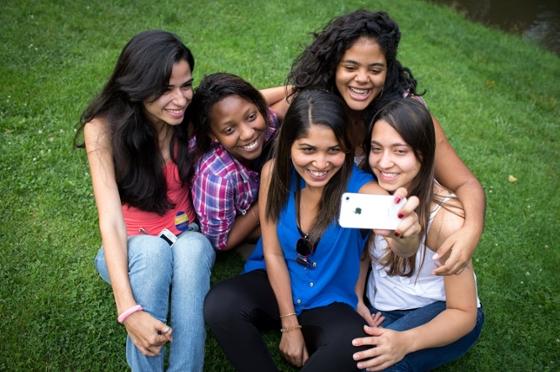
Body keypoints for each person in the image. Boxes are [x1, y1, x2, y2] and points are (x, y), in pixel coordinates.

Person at [204, 90, 421, 371]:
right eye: (308, 149)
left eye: (333, 150)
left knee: (352, 345)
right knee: (221, 304)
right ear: (289, 145)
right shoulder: (274, 173)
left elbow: (402, 240)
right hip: (274, 283)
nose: (320, 164)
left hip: (330, 299)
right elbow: (272, 252)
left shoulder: (364, 188)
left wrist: (407, 233)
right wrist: (290, 325)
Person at [274, 9, 485, 275]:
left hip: (394, 227)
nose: (362, 79)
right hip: (331, 229)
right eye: (350, 67)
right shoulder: (317, 106)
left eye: (375, 69)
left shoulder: (405, 115)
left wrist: (471, 230)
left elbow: (464, 182)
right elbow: (262, 110)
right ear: (333, 66)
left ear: (388, 71)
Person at [77, 30, 215, 371]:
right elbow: (110, 219)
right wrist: (128, 310)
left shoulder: (188, 116)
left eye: (186, 85)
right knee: (153, 254)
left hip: (185, 237)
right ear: (137, 86)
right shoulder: (103, 128)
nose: (181, 99)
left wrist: (297, 90)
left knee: (194, 248)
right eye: (166, 89)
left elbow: (249, 102)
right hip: (134, 249)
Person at [352, 98, 484, 371]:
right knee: (341, 352)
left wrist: (406, 341)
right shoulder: (375, 189)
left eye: (400, 151)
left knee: (377, 366)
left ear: (423, 154)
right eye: (377, 149)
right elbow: (366, 251)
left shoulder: (446, 221)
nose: (384, 163)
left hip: (438, 313)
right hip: (381, 304)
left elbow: (463, 313)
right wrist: (356, 295)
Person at [189, 73, 282, 251]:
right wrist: (265, 198)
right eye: (230, 129)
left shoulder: (262, 122)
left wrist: (294, 89)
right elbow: (221, 242)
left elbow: (288, 102)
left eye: (251, 116)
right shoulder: (216, 177)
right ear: (213, 135)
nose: (248, 133)